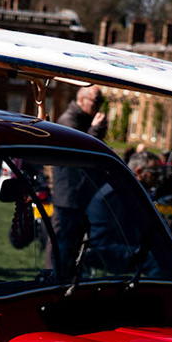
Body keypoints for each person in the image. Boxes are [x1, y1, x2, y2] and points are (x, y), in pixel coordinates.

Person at [50, 86, 108, 264]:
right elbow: (82, 152)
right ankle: (54, 275)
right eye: (96, 101)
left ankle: (62, 273)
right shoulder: (69, 121)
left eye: (101, 102)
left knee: (72, 244)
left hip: (79, 193)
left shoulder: (83, 121)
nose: (99, 106)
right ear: (82, 100)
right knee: (62, 242)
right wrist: (95, 129)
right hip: (69, 194)